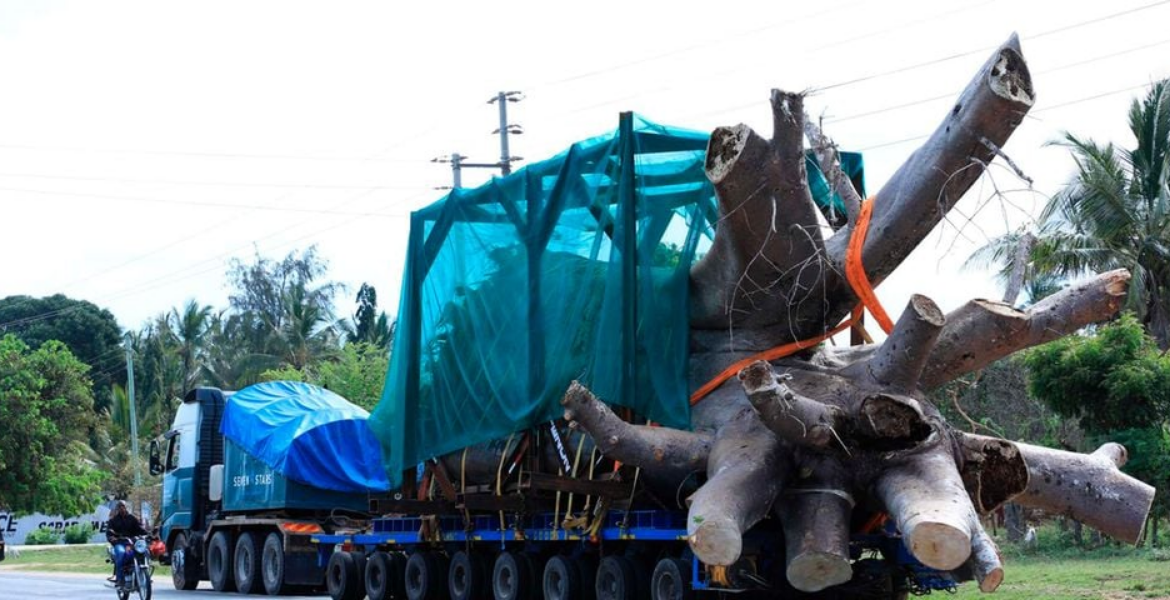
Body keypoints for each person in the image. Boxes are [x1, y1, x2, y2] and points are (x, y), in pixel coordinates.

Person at [106, 501, 147, 590]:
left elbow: (140, 529)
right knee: (121, 553)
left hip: (132, 543)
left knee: (144, 551)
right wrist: (112, 538)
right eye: (120, 507)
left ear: (126, 507)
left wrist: (149, 534)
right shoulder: (113, 521)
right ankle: (119, 579)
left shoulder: (132, 518)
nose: (122, 508)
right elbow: (109, 533)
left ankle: (144, 575)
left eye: (123, 506)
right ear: (117, 509)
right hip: (120, 543)